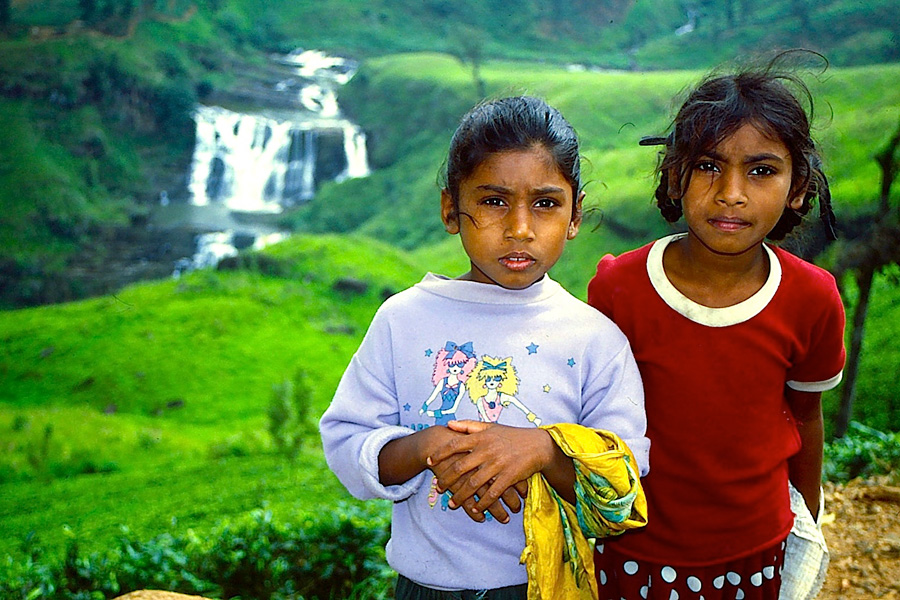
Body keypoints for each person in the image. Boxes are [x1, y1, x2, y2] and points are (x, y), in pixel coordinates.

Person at [320, 96, 650, 600]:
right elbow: (347, 441)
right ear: (452, 209)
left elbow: (621, 490)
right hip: (423, 589)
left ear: (575, 215)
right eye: (493, 201)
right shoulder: (402, 320)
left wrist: (541, 452)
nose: (520, 227)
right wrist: (428, 448)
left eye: (545, 203)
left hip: (543, 588)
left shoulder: (593, 339)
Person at [588, 59, 846, 600]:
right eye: (708, 166)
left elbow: (806, 415)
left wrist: (809, 520)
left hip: (757, 550)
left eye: (761, 170)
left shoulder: (811, 297)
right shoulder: (620, 289)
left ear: (798, 188)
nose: (731, 192)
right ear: (675, 174)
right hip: (635, 547)